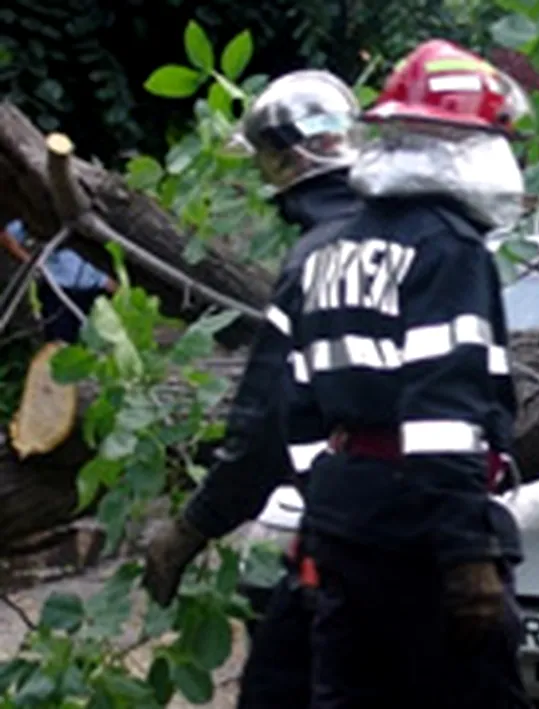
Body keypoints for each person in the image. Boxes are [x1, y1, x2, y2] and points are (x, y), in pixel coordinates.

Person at [291, 40, 532, 707]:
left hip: (346, 524)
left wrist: (325, 514)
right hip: (422, 540)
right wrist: (466, 555)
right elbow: (443, 415)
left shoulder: (333, 248)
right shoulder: (447, 248)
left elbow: (300, 404)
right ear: (467, 148)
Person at [139, 69, 365, 709]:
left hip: (347, 533)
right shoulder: (408, 239)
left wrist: (192, 527)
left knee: (277, 692)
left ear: (285, 161)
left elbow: (265, 417)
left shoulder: (316, 259)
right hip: (421, 530)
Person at [0, 218, 116, 343]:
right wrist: (33, 262)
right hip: (57, 285)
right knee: (59, 342)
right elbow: (6, 236)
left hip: (97, 284)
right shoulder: (36, 218)